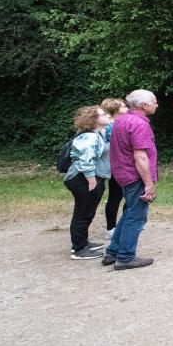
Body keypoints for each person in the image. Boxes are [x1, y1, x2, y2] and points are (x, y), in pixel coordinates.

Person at [105, 89, 158, 270]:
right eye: (154, 102)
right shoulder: (139, 124)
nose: (156, 105)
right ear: (144, 105)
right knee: (136, 216)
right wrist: (149, 183)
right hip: (135, 176)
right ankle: (126, 257)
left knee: (129, 213)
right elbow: (140, 157)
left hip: (123, 174)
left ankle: (112, 252)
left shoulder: (121, 120)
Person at [63, 105, 111, 259]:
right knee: (83, 213)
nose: (107, 116)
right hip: (83, 179)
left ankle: (81, 242)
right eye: (103, 114)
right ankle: (79, 249)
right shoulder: (90, 137)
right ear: (94, 120)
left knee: (85, 212)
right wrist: (91, 180)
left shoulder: (96, 134)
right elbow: (85, 159)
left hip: (87, 178)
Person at [99, 97, 128, 241]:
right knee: (116, 197)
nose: (127, 109)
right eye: (123, 107)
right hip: (117, 167)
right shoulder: (112, 126)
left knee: (117, 196)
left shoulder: (113, 124)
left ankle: (115, 227)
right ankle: (111, 229)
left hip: (116, 166)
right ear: (114, 110)